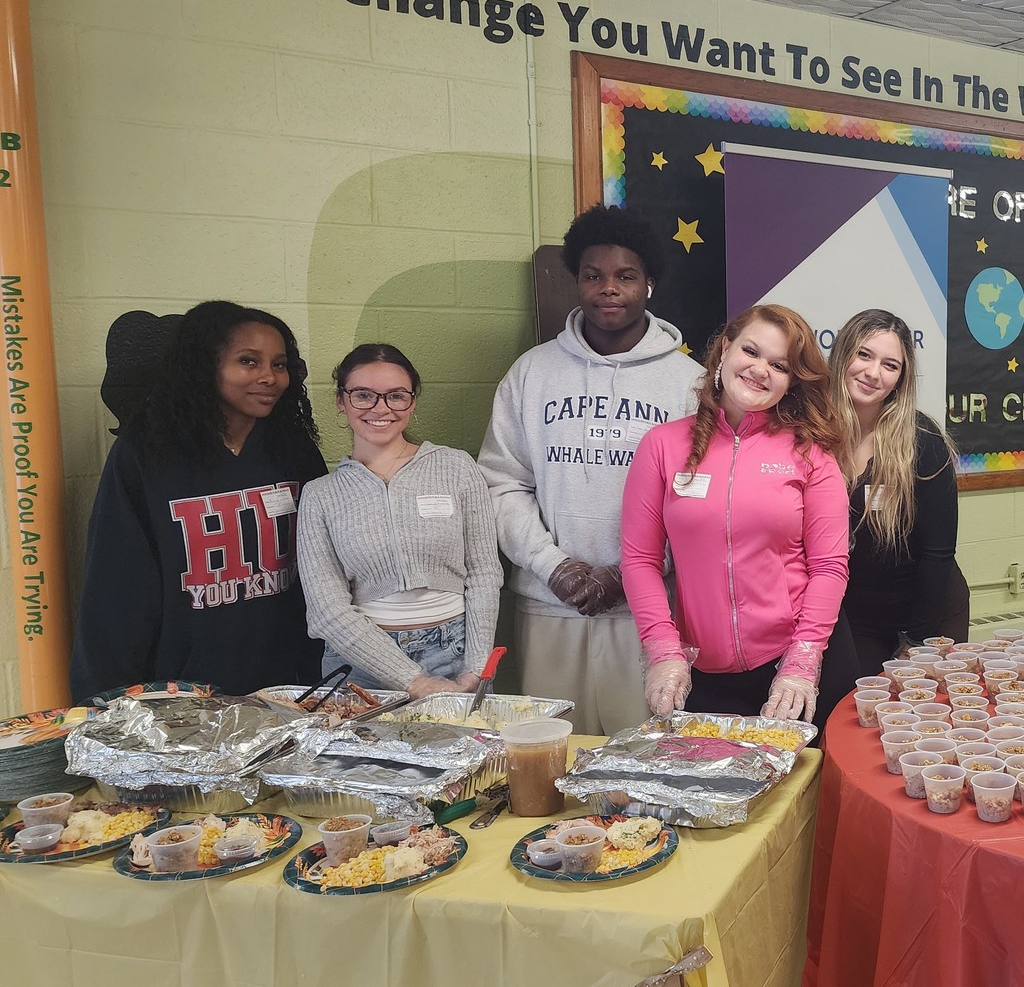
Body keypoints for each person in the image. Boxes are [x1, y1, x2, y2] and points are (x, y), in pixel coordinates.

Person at [477, 204, 704, 735]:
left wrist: (635, 575)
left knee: (644, 760)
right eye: (593, 276)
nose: (609, 289)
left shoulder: (690, 385)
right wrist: (553, 566)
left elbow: (702, 501)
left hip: (651, 613)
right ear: (575, 280)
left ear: (649, 284)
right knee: (553, 759)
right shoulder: (531, 373)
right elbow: (501, 482)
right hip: (550, 604)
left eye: (626, 276)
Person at [70, 300, 327, 699]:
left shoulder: (292, 449)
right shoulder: (148, 454)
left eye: (279, 365)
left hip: (290, 684)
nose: (269, 378)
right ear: (205, 365)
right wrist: (109, 697)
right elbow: (117, 588)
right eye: (248, 361)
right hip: (187, 692)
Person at [621, 303, 857, 729]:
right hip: (701, 672)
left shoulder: (811, 456)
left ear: (791, 381)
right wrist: (662, 649)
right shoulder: (661, 446)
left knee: (807, 793)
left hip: (797, 667)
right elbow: (639, 560)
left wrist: (804, 658)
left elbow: (829, 567)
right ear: (725, 349)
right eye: (751, 351)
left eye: (779, 364)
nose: (760, 369)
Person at [296, 344, 503, 697]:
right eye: (363, 395)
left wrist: (476, 668)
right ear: (341, 401)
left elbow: (484, 573)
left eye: (396, 396)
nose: (381, 409)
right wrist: (413, 680)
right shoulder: (320, 495)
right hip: (359, 664)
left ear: (413, 401)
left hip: (456, 653)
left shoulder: (455, 468)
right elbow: (327, 611)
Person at [828, 309, 969, 677]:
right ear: (842, 354)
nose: (873, 373)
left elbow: (938, 554)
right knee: (850, 713)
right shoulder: (814, 432)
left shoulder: (922, 441)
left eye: (890, 365)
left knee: (918, 723)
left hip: (928, 612)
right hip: (854, 616)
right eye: (864, 355)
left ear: (900, 378)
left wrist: (916, 642)